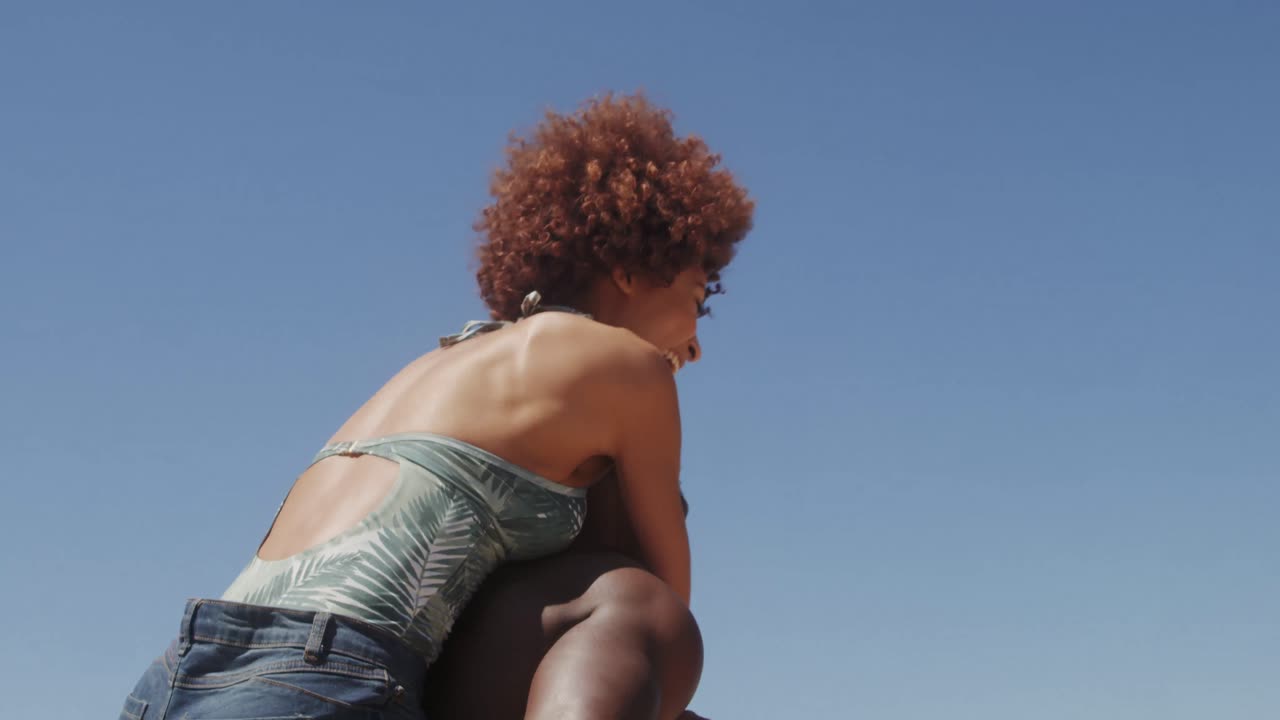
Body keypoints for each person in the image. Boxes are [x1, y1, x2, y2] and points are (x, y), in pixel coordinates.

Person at [118, 92, 753, 720]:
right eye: (697, 297)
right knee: (642, 607)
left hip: (180, 679)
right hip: (329, 681)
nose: (694, 344)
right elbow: (666, 613)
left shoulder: (448, 361)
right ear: (629, 270)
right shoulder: (628, 366)